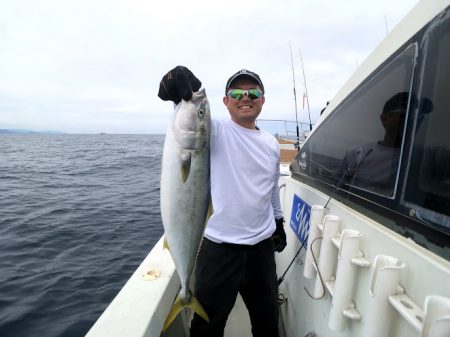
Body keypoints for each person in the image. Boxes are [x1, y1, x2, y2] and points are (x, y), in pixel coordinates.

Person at [158, 66, 286, 337]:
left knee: (267, 324)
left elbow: (272, 188)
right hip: (218, 251)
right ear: (226, 102)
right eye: (237, 92)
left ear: (263, 99)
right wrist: (175, 85)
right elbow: (188, 116)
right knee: (207, 328)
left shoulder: (271, 144)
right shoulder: (214, 131)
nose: (245, 97)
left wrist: (278, 220)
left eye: (253, 92)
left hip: (261, 251)